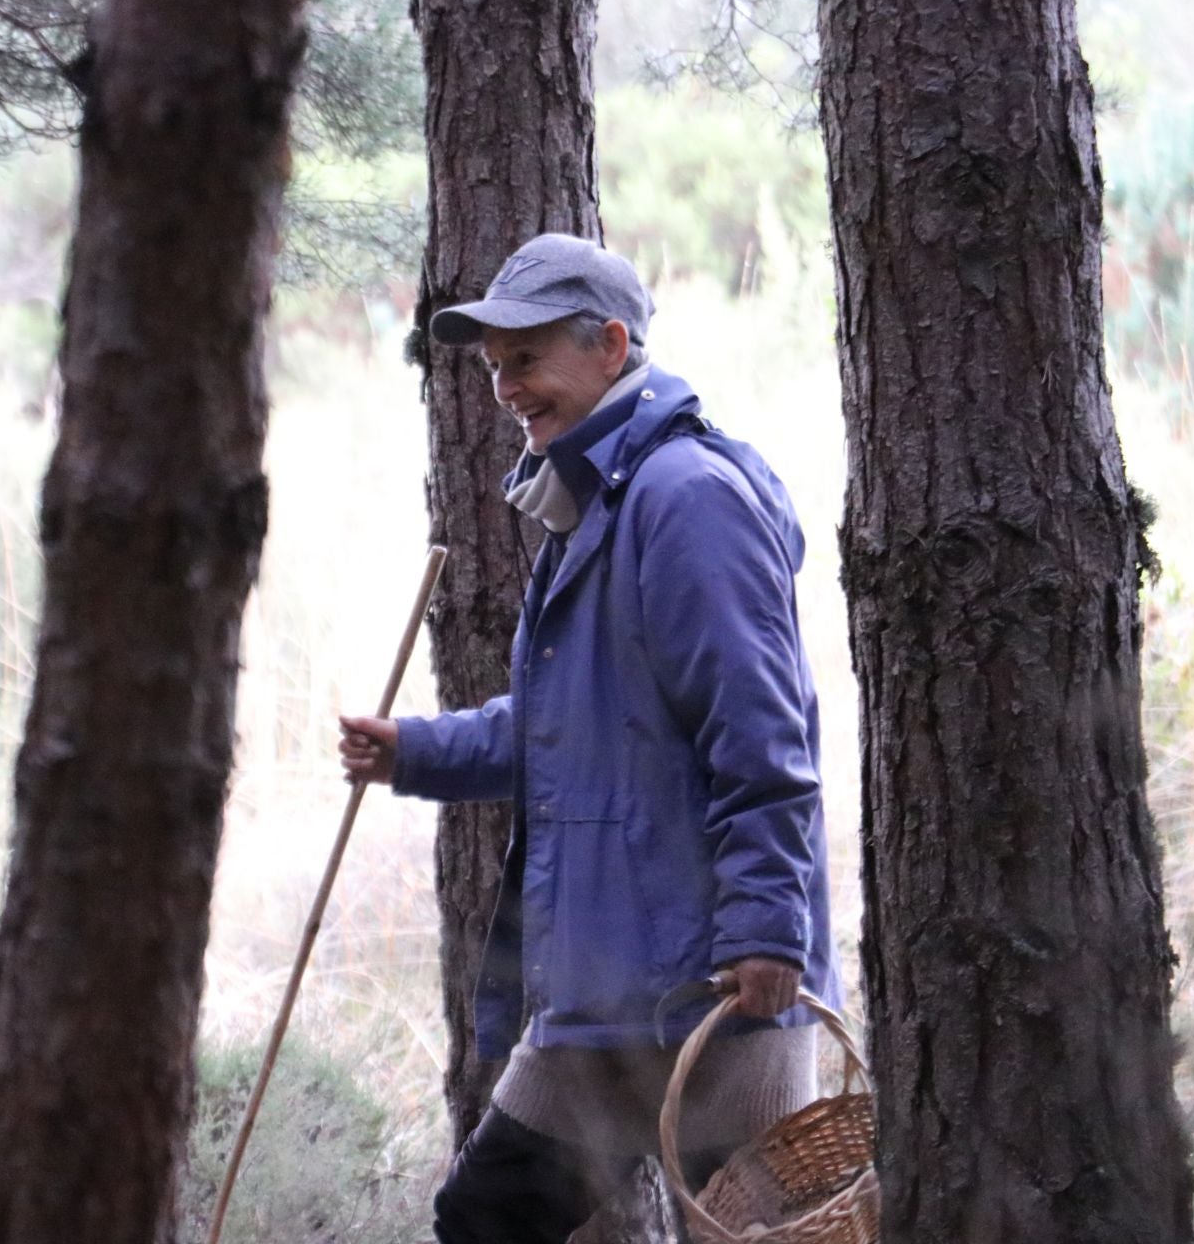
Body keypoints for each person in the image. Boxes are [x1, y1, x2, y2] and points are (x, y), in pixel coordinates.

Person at [337, 234, 840, 1243]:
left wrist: (766, 928)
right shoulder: (599, 504)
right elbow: (570, 728)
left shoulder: (685, 496)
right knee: (483, 1223)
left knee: (758, 1239)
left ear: (611, 344)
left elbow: (761, 728)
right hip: (602, 1002)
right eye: (493, 366)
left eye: (526, 359)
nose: (505, 389)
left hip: (714, 998)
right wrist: (415, 750)